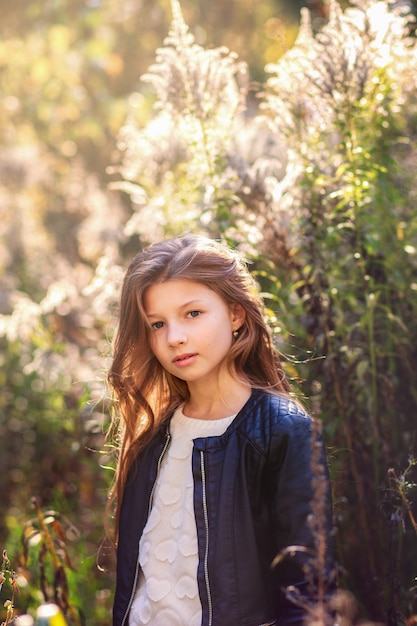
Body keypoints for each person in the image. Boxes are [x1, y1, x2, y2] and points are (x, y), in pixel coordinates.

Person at [107, 234, 335, 626]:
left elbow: (308, 594)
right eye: (157, 324)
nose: (174, 337)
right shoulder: (153, 438)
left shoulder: (282, 432)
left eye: (192, 313)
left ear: (235, 313)